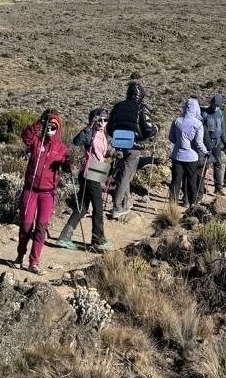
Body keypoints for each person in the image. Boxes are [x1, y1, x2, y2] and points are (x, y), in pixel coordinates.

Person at [15, 109, 71, 274]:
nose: (50, 129)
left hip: (48, 192)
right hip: (30, 190)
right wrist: (40, 122)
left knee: (41, 227)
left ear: (58, 129)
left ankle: (34, 262)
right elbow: (26, 136)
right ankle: (20, 255)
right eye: (48, 125)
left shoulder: (61, 148)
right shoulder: (36, 142)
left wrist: (68, 165)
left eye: (54, 127)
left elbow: (67, 167)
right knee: (26, 225)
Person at [56, 108, 112, 251]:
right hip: (90, 171)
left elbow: (102, 152)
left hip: (98, 170)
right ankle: (98, 240)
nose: (102, 122)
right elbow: (77, 141)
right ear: (94, 119)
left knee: (82, 207)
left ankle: (64, 237)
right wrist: (88, 126)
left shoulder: (103, 134)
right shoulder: (90, 133)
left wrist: (113, 152)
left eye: (105, 120)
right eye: (100, 119)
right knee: (98, 207)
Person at [106, 81, 158, 218]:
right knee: (125, 176)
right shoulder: (142, 108)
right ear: (141, 95)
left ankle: (126, 201)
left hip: (118, 145)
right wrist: (151, 132)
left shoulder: (117, 106)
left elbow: (109, 128)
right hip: (133, 147)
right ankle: (117, 207)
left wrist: (118, 136)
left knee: (122, 174)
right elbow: (148, 129)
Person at [168, 97, 208, 209]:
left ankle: (172, 207)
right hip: (192, 157)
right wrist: (205, 152)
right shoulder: (198, 124)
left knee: (176, 181)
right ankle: (192, 205)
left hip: (177, 156)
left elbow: (171, 138)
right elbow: (199, 143)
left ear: (185, 108)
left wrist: (179, 143)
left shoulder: (177, 121)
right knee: (192, 181)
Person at [201, 93, 226, 196]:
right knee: (204, 165)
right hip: (207, 144)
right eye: (215, 105)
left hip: (217, 143)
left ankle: (218, 188)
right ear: (211, 103)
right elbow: (202, 130)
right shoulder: (205, 114)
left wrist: (225, 142)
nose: (216, 107)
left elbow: (222, 129)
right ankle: (201, 188)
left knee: (218, 164)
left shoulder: (220, 113)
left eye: (218, 106)